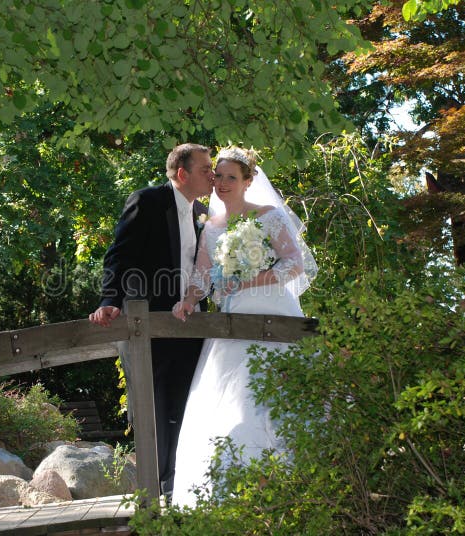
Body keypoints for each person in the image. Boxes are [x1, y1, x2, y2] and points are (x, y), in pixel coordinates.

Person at [170, 145, 317, 508]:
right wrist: (189, 299)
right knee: (235, 399)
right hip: (232, 322)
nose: (221, 183)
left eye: (230, 177)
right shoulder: (212, 227)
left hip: (275, 313)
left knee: (277, 395)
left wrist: (249, 280)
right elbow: (203, 274)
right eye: (217, 176)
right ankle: (234, 491)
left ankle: (290, 483)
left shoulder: (268, 216)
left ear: (249, 181)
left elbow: (295, 265)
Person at [89, 143, 215, 496]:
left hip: (192, 325)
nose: (212, 174)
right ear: (182, 173)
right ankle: (153, 490)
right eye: (205, 168)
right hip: (149, 325)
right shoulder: (147, 201)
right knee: (154, 404)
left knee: (187, 401)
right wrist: (110, 299)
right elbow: (119, 253)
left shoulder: (203, 212)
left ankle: (178, 485)